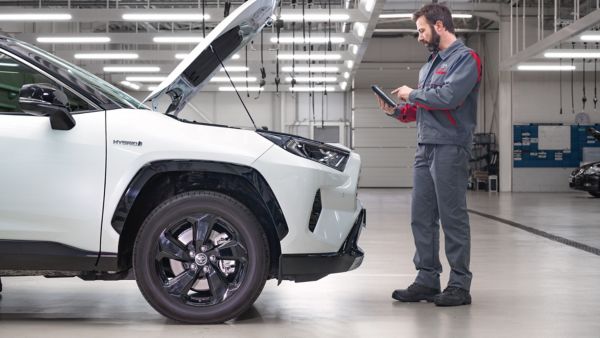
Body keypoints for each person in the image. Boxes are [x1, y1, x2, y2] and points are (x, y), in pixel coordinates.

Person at [375, 3, 482, 307]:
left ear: (439, 25)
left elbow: (449, 97)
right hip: (426, 146)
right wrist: (398, 111)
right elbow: (424, 108)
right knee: (421, 217)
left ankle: (460, 285)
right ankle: (427, 279)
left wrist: (414, 93)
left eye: (421, 29)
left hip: (450, 146)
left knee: (452, 217)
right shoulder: (429, 64)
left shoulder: (466, 59)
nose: (419, 36)